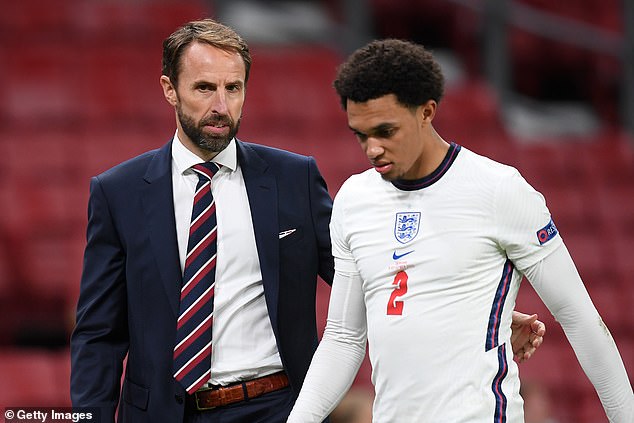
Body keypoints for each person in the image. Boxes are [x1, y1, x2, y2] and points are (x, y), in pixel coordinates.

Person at [69, 20, 545, 423]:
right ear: (169, 89)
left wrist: (479, 312)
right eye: (204, 88)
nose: (221, 106)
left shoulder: (293, 178)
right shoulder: (118, 193)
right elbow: (98, 334)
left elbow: (372, 277)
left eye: (233, 88)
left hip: (276, 407)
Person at [287, 39, 634, 422]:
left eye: (386, 131)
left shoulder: (499, 190)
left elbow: (579, 318)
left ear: (426, 112)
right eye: (361, 134)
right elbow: (343, 338)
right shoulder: (353, 199)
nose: (372, 149)